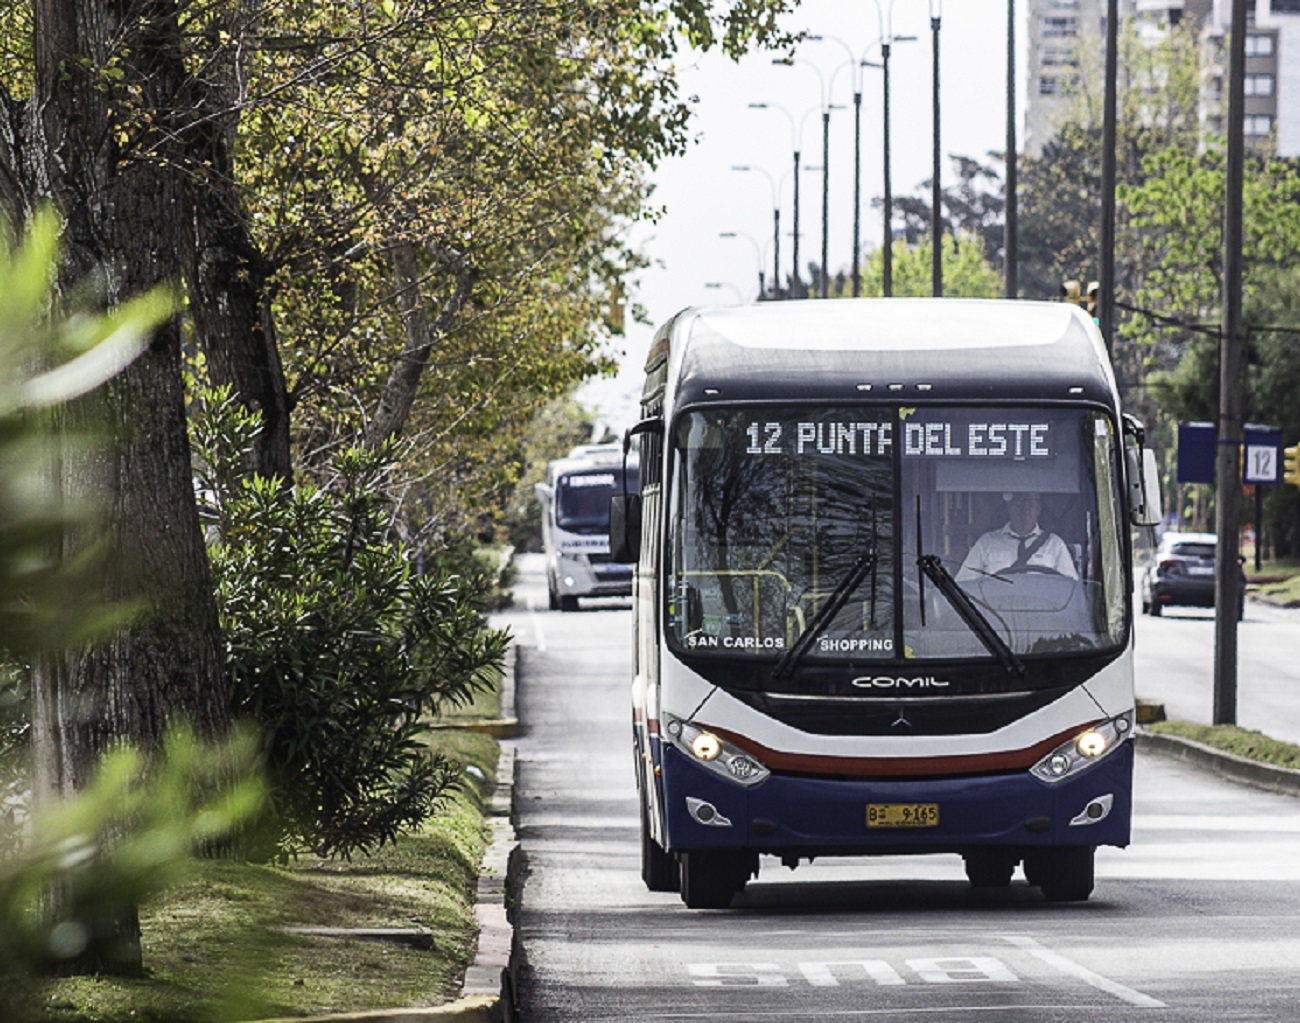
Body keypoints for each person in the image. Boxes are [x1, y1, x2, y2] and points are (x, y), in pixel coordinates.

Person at [957, 492, 1077, 581]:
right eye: (1018, 503)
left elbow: (1070, 588)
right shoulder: (987, 542)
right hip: (994, 611)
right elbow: (965, 585)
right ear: (1009, 507)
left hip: (1044, 611)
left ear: (1039, 509)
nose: (1024, 509)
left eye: (1030, 503)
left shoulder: (1055, 544)